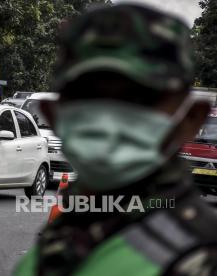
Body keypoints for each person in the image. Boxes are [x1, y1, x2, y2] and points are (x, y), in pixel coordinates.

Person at [15, 4, 217, 276]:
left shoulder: (201, 258)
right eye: (88, 94)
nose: (107, 119)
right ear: (53, 114)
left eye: (139, 98)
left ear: (191, 119)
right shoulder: (69, 231)